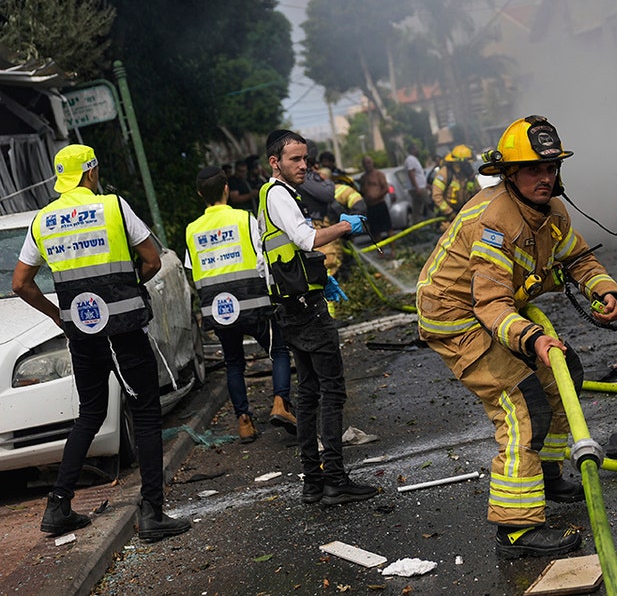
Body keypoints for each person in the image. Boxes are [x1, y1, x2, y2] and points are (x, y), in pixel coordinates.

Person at [415, 116, 617, 559]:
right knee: (521, 404)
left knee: (563, 374)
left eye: (550, 169)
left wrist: (605, 289)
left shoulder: (551, 211)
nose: (545, 178)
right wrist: (534, 341)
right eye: (534, 169)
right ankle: (515, 529)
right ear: (510, 173)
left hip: (494, 311)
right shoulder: (495, 221)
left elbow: (577, 257)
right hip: (455, 317)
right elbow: (490, 304)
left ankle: (546, 475)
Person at [11, 144, 191, 542]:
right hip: (124, 330)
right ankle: (152, 512)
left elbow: (20, 283)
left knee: (90, 414)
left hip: (81, 333)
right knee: (145, 411)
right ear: (90, 173)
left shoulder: (42, 220)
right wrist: (127, 289)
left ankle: (58, 506)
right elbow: (152, 259)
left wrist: (58, 314)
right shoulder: (112, 207)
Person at [258, 129, 379, 506]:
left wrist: (319, 280)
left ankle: (314, 482)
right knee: (331, 391)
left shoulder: (273, 197)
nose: (303, 165)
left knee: (309, 393)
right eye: (294, 159)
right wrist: (346, 225)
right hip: (306, 314)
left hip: (295, 306)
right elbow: (305, 239)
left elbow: (278, 256)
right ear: (275, 162)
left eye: (305, 158)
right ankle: (335, 479)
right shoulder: (278, 194)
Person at [184, 166, 296, 444]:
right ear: (226, 189)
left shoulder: (191, 229)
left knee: (233, 362)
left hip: (219, 309)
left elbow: (191, 267)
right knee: (278, 350)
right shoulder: (244, 218)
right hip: (254, 302)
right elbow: (263, 256)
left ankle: (244, 422)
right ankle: (280, 403)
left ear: (199, 194)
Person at [430, 144, 480, 225]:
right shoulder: (444, 173)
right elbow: (437, 196)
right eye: (467, 163)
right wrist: (450, 213)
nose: (469, 166)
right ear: (460, 163)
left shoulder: (468, 175)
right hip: (447, 218)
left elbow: (479, 193)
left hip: (464, 215)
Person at [358, 155, 392, 240]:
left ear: (372, 163)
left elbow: (385, 188)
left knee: (388, 228)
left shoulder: (379, 174)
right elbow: (362, 191)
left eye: (369, 162)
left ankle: (393, 250)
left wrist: (376, 197)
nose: (367, 165)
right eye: (365, 163)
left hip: (380, 204)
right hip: (370, 207)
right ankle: (381, 252)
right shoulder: (363, 178)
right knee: (375, 232)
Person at [403, 147, 430, 220]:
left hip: (419, 187)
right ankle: (434, 225)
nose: (418, 150)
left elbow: (418, 175)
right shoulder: (410, 159)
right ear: (412, 150)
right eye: (416, 148)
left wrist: (426, 185)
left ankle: (415, 228)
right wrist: (417, 187)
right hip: (418, 188)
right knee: (429, 204)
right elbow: (411, 173)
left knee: (416, 209)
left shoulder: (413, 159)